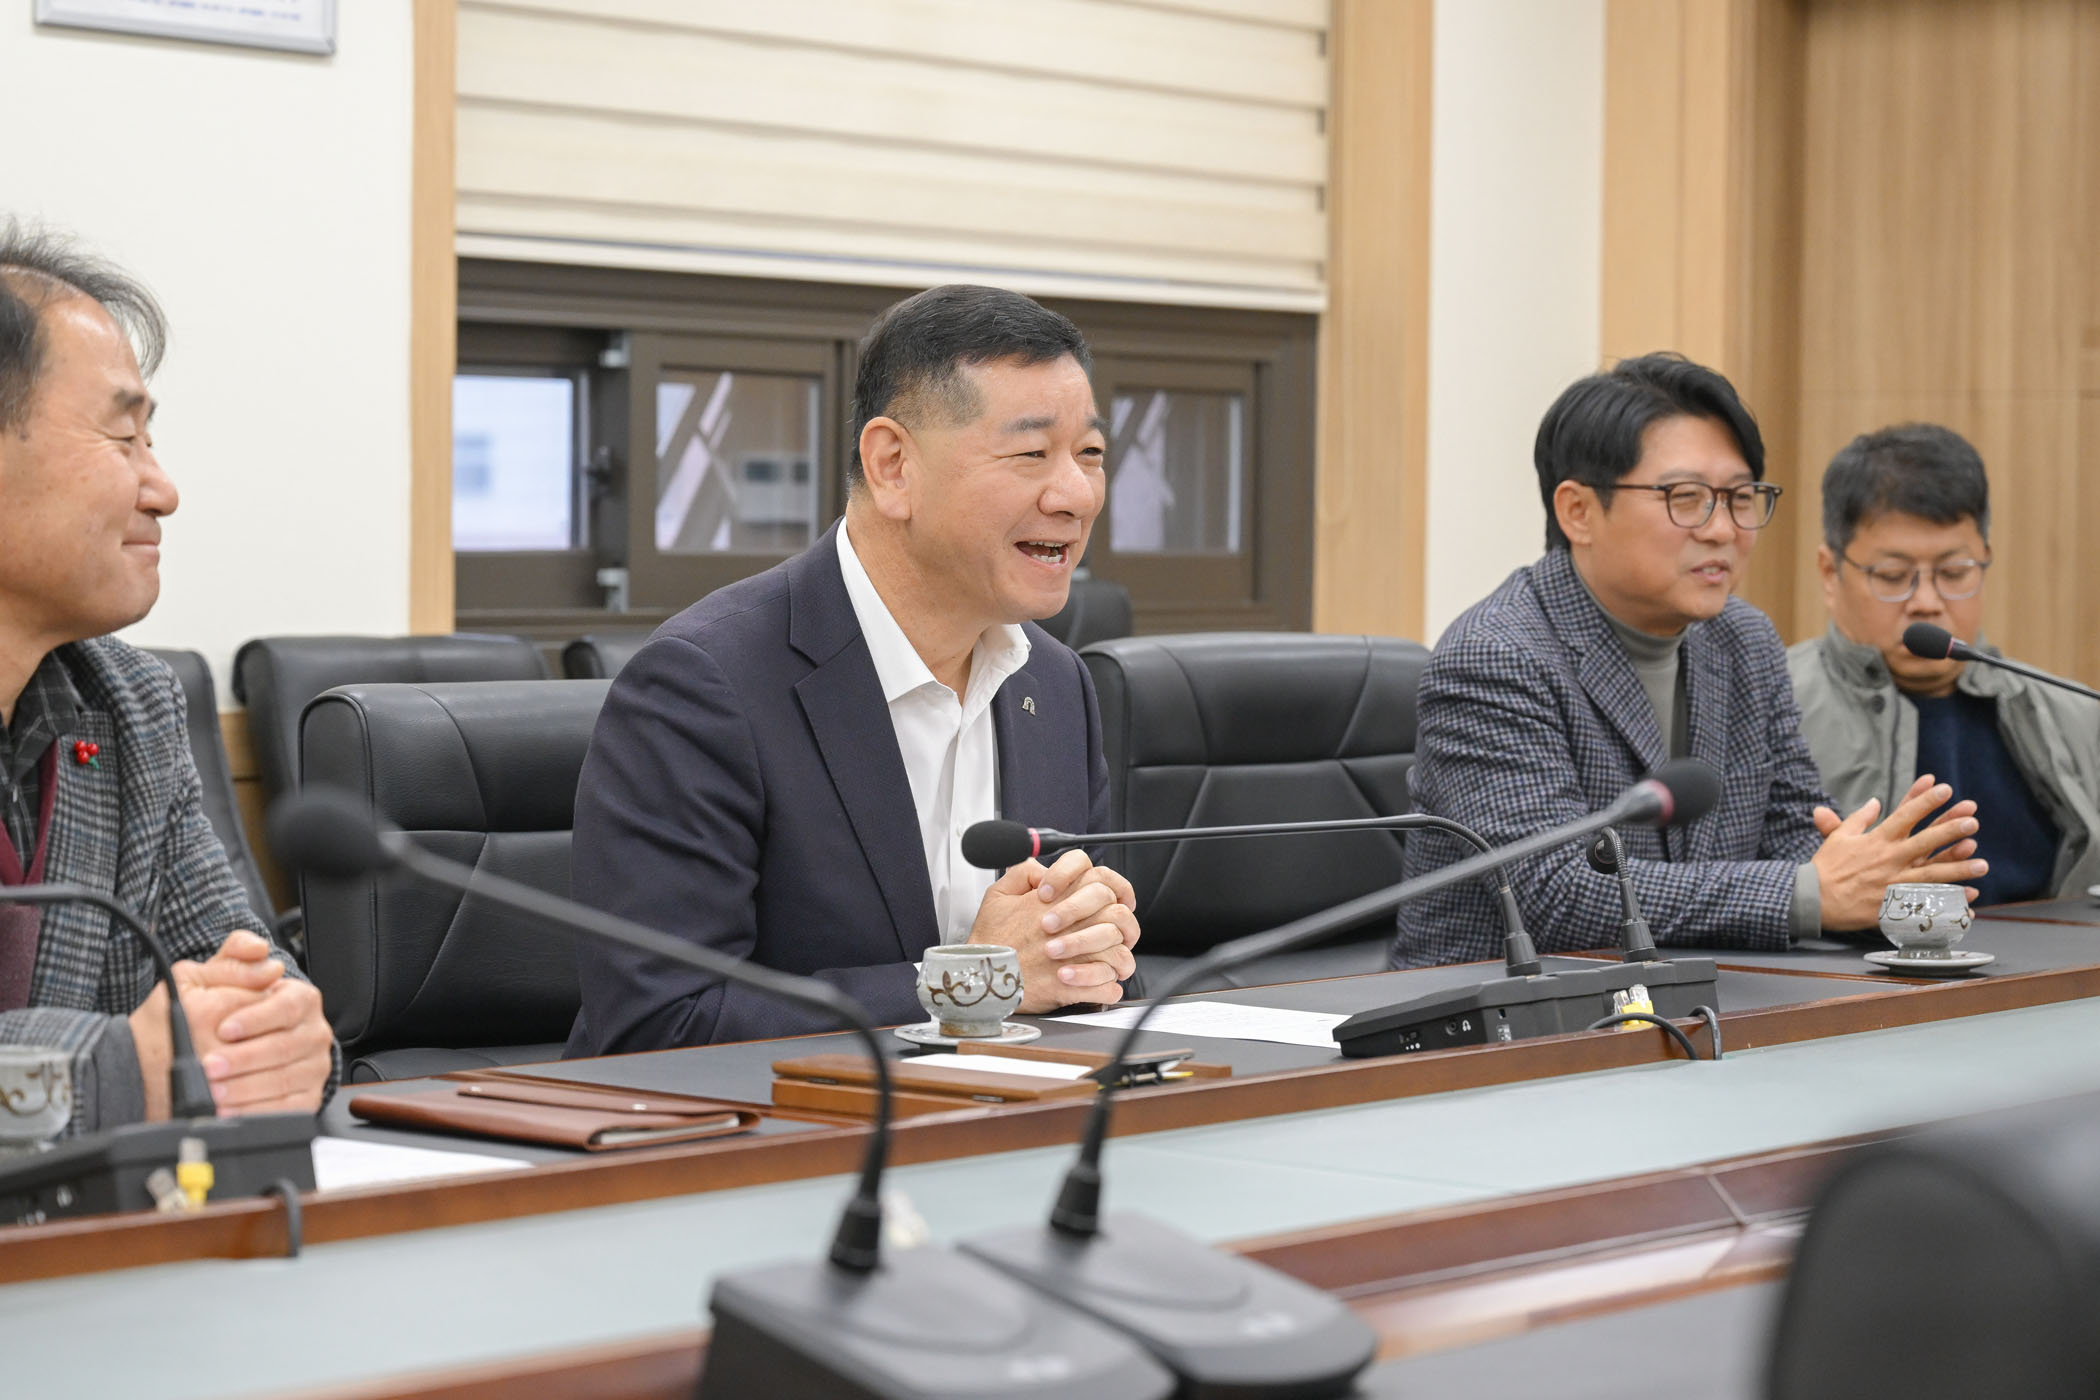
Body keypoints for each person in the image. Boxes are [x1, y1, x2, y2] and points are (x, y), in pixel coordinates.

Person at [567, 285, 1141, 1051]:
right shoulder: (702, 687)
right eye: (1032, 454)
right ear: (893, 465)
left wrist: (1099, 957)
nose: (1075, 494)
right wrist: (976, 980)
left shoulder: (1056, 684)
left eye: (1091, 455)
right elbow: (659, 1023)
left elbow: (1077, 979)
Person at [1392, 354, 1987, 967]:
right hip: (1494, 1009)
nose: (1723, 530)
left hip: (1699, 995)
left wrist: (1883, 876)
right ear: (1579, 512)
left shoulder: (1743, 640)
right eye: (1687, 498)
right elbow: (1555, 892)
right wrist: (1810, 893)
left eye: (1739, 498)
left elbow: (1791, 828)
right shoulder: (1496, 656)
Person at [0, 224, 335, 1130]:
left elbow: (242, 980)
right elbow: (145, 1062)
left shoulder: (129, 709)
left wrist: (284, 1040)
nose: (163, 490)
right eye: (124, 438)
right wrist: (114, 1073)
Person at [1788, 424, 2100, 905]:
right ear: (1830, 573)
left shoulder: (2076, 714)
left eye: (1955, 573)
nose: (1927, 602)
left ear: (1985, 561)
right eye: (1893, 576)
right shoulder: (1776, 706)